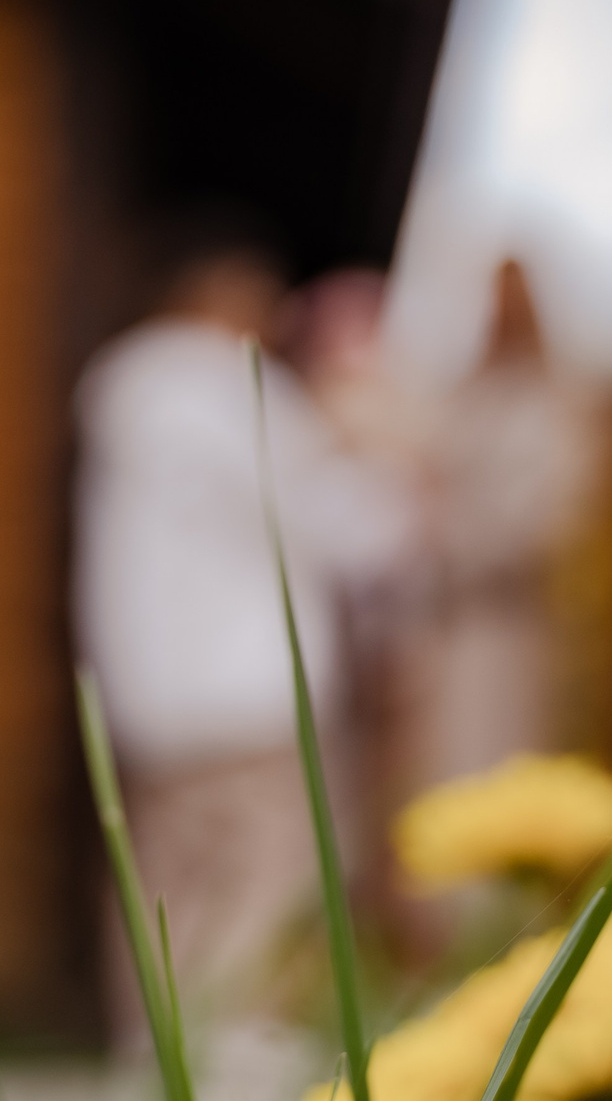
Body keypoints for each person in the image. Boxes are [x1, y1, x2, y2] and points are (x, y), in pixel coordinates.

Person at [73, 243, 416, 1052]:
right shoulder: (231, 392)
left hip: (148, 690)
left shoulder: (123, 400)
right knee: (266, 866)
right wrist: (395, 488)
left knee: (166, 869)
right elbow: (330, 514)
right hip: (248, 683)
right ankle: (235, 1041)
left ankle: (155, 1039)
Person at [393, 259, 610, 799]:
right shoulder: (466, 395)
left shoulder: (558, 400)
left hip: (513, 614)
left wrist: (464, 537)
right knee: (447, 761)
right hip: (448, 617)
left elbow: (558, 509)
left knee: (507, 752)